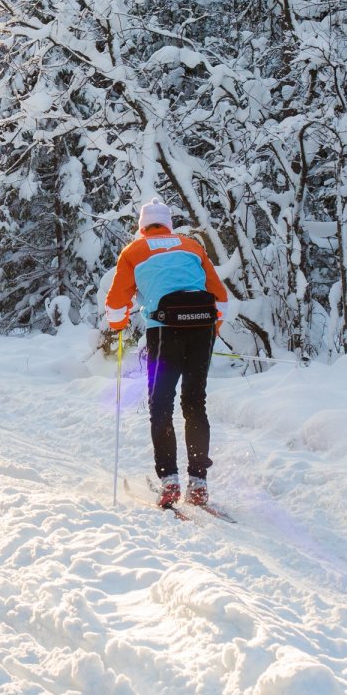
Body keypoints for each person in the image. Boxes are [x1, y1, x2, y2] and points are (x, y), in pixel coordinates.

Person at [104, 200, 228, 510]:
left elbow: (116, 306)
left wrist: (118, 324)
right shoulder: (191, 246)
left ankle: (169, 479)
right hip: (202, 328)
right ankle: (198, 482)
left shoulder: (134, 251)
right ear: (169, 225)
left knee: (161, 404)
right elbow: (220, 298)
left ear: (142, 226)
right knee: (194, 402)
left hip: (163, 331)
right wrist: (213, 330)